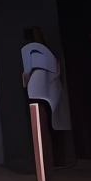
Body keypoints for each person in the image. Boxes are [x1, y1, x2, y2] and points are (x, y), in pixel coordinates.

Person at [22, 27, 72, 165]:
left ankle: (53, 159)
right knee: (43, 127)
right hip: (39, 96)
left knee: (48, 127)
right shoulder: (36, 59)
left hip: (45, 97)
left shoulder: (45, 59)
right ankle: (47, 160)